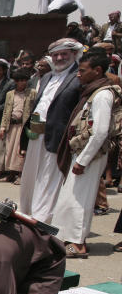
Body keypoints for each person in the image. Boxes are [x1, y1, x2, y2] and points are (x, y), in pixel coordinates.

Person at [50, 50, 119, 258]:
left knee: (80, 199)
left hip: (90, 155)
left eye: (82, 70)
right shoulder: (92, 92)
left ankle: (78, 244)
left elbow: (100, 132)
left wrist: (82, 160)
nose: (78, 74)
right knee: (71, 198)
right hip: (82, 152)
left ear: (97, 71)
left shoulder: (103, 95)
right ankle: (72, 239)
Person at [20, 38, 82, 222]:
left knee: (49, 178)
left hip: (58, 135)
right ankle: (27, 213)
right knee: (32, 176)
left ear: (73, 55)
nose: (60, 58)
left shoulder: (78, 77)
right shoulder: (47, 77)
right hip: (36, 134)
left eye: (64, 54)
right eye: (55, 55)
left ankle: (42, 219)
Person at [0, 68, 36, 183]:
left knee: (21, 151)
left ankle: (21, 174)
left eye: (24, 80)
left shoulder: (32, 93)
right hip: (12, 126)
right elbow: (6, 110)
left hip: (24, 126)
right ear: (15, 81)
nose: (22, 83)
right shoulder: (10, 94)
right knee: (9, 151)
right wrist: (3, 127)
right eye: (19, 80)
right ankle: (11, 173)